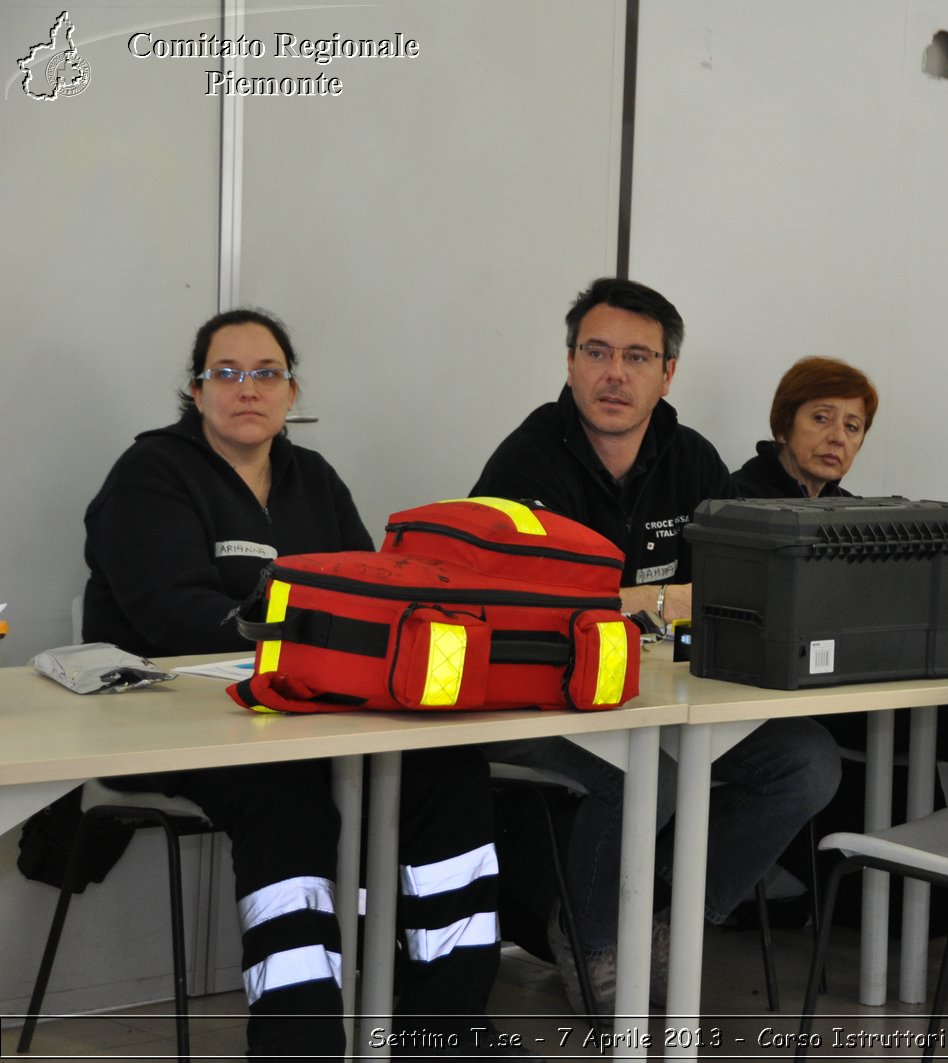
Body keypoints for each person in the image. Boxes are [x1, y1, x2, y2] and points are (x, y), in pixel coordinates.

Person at [82, 309, 518, 1058]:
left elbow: (371, 592)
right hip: (179, 724)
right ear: (196, 391)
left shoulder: (313, 477)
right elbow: (172, 614)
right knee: (289, 799)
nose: (247, 388)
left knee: (450, 772)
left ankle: (444, 1028)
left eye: (267, 373)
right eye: (227, 373)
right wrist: (307, 639)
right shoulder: (151, 473)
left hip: (307, 714)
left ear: (292, 391)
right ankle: (299, 1038)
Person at [472, 278, 841, 1013]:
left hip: (660, 694)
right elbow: (518, 608)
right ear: (571, 362)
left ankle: (666, 918)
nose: (616, 373)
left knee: (808, 764)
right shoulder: (526, 462)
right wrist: (660, 601)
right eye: (598, 352)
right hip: (540, 695)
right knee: (653, 766)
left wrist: (629, 606)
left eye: (637, 356)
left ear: (667, 372)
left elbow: (737, 598)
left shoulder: (694, 462)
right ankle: (599, 943)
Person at [730, 356, 948, 1019]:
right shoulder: (739, 501)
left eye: (854, 426)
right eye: (822, 417)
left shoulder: (857, 516)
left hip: (870, 692)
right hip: (791, 713)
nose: (838, 436)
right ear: (783, 423)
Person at [728, 356, 876, 498]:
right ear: (783, 428)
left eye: (851, 426)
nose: (838, 438)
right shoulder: (732, 499)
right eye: (821, 418)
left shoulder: (852, 513)